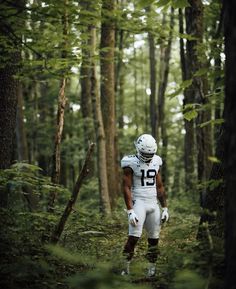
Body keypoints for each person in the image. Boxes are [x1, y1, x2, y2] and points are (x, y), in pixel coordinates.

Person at [120, 134, 169, 277]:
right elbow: (126, 187)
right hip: (139, 203)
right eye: (145, 153)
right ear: (138, 149)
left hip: (153, 202)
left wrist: (165, 207)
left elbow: (159, 186)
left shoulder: (157, 161)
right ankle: (125, 269)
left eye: (150, 153)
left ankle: (151, 270)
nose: (148, 156)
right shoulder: (130, 162)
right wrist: (130, 210)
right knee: (133, 237)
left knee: (154, 239)